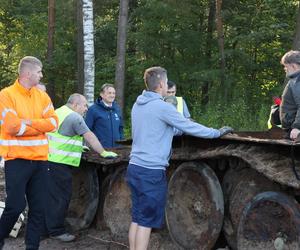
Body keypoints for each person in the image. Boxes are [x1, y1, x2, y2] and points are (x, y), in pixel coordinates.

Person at [126, 66, 233, 250]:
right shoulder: (161, 106)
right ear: (160, 84)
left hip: (134, 168)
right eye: (166, 82)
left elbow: (161, 128)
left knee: (137, 218)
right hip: (151, 171)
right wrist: (216, 133)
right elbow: (189, 126)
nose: (167, 86)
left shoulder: (138, 105)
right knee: (146, 222)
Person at [0, 56, 59, 250]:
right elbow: (11, 127)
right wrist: (37, 125)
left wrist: (27, 123)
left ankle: (32, 247)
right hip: (16, 161)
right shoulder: (6, 95)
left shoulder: (42, 96)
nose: (42, 75)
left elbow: (53, 123)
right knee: (15, 207)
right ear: (27, 73)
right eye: (39, 71)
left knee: (38, 209)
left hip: (41, 162)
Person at [44, 93, 118, 242]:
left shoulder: (58, 112)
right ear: (75, 104)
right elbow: (89, 136)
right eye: (84, 105)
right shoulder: (74, 117)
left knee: (51, 197)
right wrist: (103, 152)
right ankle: (56, 231)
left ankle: (46, 227)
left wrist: (79, 148)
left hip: (49, 160)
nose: (86, 109)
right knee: (62, 198)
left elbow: (64, 135)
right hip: (60, 163)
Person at [85, 84, 124, 148]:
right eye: (109, 93)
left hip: (117, 150)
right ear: (102, 94)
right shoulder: (93, 110)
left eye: (113, 93)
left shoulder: (117, 109)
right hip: (100, 150)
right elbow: (87, 130)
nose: (112, 95)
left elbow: (120, 128)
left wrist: (121, 143)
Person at [279, 50, 300, 140]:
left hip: (295, 131)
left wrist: (297, 127)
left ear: (294, 66)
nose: (285, 69)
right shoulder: (295, 80)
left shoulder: (298, 81)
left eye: (286, 66)